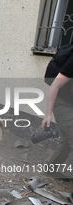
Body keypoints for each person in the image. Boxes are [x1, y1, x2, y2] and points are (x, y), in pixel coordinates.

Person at [42, 50, 73, 185]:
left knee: (67, 140)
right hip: (62, 103)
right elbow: (55, 85)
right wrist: (48, 114)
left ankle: (50, 169)